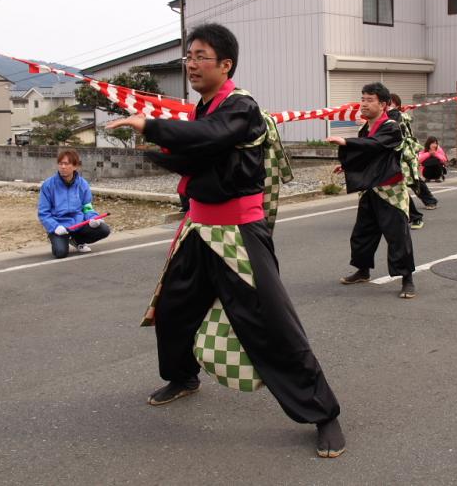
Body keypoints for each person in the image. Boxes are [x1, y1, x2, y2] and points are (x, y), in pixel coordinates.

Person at [104, 23, 345, 458]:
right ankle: (183, 376)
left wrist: (152, 127)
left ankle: (323, 414)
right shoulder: (205, 108)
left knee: (272, 324)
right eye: (188, 57)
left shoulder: (241, 107)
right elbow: (195, 155)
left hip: (238, 232)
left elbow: (209, 138)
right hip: (198, 229)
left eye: (200, 57)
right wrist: (154, 152)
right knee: (175, 309)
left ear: (226, 64)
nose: (191, 65)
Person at [327, 82, 416, 299]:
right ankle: (362, 270)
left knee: (397, 236)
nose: (364, 104)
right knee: (363, 233)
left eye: (370, 100)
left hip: (391, 190)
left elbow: (375, 145)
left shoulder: (392, 126)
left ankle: (407, 279)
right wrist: (346, 165)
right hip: (371, 188)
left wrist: (346, 142)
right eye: (363, 99)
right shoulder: (366, 127)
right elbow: (367, 154)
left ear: (383, 105)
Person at [37, 149, 110, 259]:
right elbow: (43, 213)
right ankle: (61, 239)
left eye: (66, 164)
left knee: (104, 229)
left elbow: (87, 207)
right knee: (60, 253)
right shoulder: (48, 185)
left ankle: (77, 241)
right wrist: (55, 226)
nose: (63, 167)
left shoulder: (83, 184)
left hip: (78, 224)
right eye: (60, 163)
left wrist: (93, 218)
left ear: (75, 166)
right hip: (59, 226)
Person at [387, 93, 438, 230]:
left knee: (412, 182)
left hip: (403, 156)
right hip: (388, 158)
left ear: (396, 104)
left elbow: (397, 132)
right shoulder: (381, 117)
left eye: (389, 103)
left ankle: (424, 207)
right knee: (394, 188)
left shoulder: (398, 116)